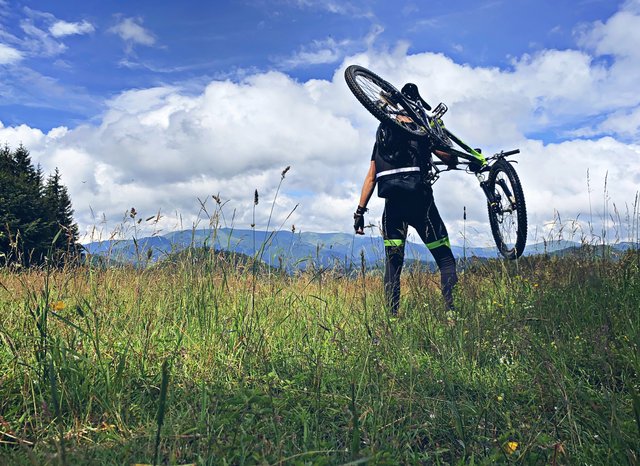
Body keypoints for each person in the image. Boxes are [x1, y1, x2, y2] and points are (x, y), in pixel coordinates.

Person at [353, 83, 458, 315]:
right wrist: (434, 143)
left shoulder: (383, 134)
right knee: (445, 259)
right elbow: (450, 159)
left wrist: (359, 213)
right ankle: (452, 314)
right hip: (420, 202)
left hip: (392, 206)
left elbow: (371, 176)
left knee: (393, 265)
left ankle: (392, 320)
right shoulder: (422, 128)